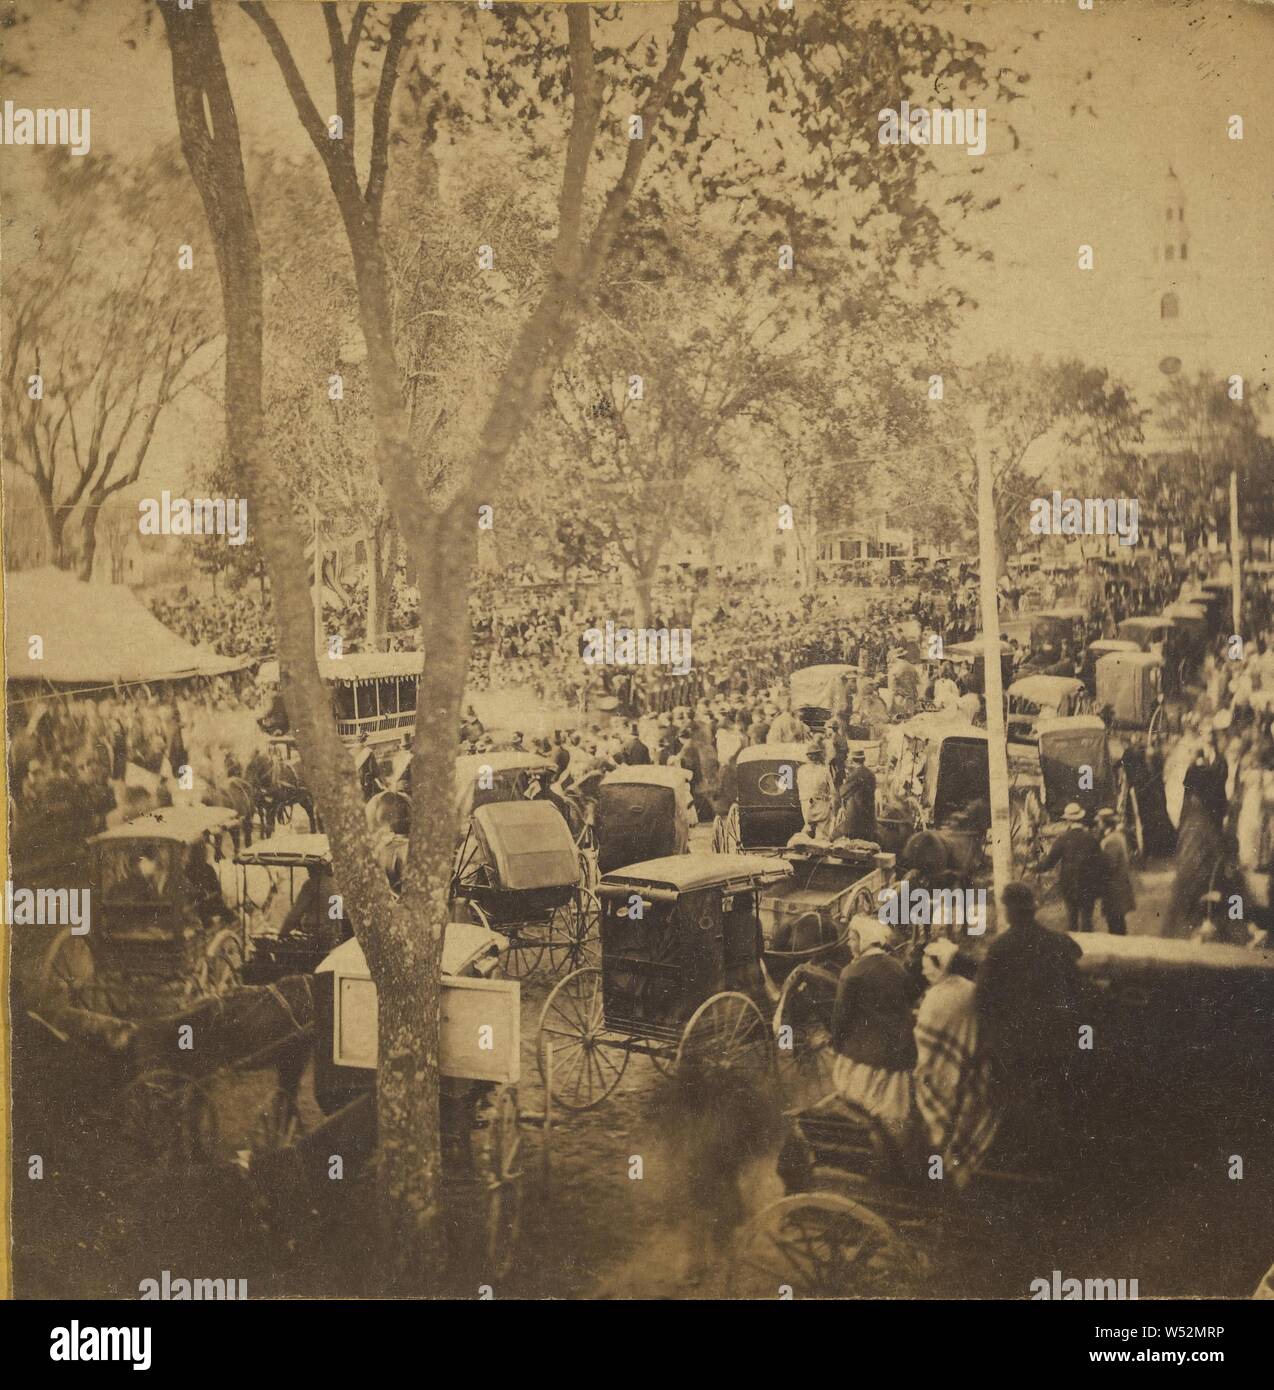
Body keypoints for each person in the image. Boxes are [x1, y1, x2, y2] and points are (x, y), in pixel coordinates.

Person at [975, 881, 1083, 1164]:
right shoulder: (1058, 942)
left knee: (1018, 1097)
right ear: (1032, 910)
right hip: (1056, 1038)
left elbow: (983, 997)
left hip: (1017, 1043)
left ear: (1009, 912)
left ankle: (1026, 1160)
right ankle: (1057, 1157)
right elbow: (1077, 974)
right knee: (1053, 1095)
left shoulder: (1000, 948)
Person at [914, 939, 1000, 1186]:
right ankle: (955, 1162)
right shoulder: (968, 988)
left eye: (926, 967)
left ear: (941, 967)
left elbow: (926, 1045)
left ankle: (937, 1172)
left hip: (943, 1071)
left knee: (926, 1096)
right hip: (972, 1066)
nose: (923, 971)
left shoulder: (936, 997)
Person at [830, 918, 918, 1155]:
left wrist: (837, 1044)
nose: (849, 944)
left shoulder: (852, 973)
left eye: (852, 939)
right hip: (898, 1058)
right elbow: (911, 998)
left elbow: (841, 1017)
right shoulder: (897, 967)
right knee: (893, 1116)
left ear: (864, 941)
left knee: (857, 1106)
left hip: (865, 1060)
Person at [1037, 802, 1107, 932]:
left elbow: (1049, 862)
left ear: (1068, 820)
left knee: (1072, 919)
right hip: (1089, 885)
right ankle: (1088, 948)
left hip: (1069, 885)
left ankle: (1073, 949)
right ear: (1081, 818)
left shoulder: (1063, 839)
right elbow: (1101, 863)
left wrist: (1036, 867)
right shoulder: (1091, 838)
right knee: (1087, 919)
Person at [1095, 807, 1134, 935]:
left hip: (1114, 887)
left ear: (1105, 823)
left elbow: (1109, 864)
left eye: (1100, 822)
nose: (1098, 824)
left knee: (1115, 922)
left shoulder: (1111, 840)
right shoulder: (1118, 836)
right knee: (1118, 921)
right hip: (1118, 885)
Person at [796, 739, 839, 842]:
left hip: (806, 804)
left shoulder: (801, 770)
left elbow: (799, 785)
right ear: (819, 756)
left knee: (807, 828)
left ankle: (804, 847)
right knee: (823, 832)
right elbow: (832, 790)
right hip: (821, 804)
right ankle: (820, 851)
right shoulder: (824, 770)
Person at [840, 748, 877, 842]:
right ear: (863, 759)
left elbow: (843, 792)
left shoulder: (854, 775)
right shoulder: (871, 773)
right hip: (869, 817)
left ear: (853, 761)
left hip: (856, 819)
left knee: (854, 845)